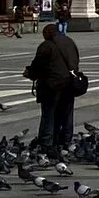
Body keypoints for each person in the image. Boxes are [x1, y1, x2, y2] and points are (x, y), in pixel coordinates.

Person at [23, 24, 83, 156]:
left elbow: (38, 65)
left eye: (44, 34)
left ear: (48, 33)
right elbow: (76, 61)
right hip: (69, 84)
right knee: (66, 114)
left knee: (48, 115)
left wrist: (30, 73)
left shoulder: (47, 46)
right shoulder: (69, 42)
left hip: (52, 85)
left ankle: (46, 144)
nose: (43, 36)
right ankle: (65, 141)